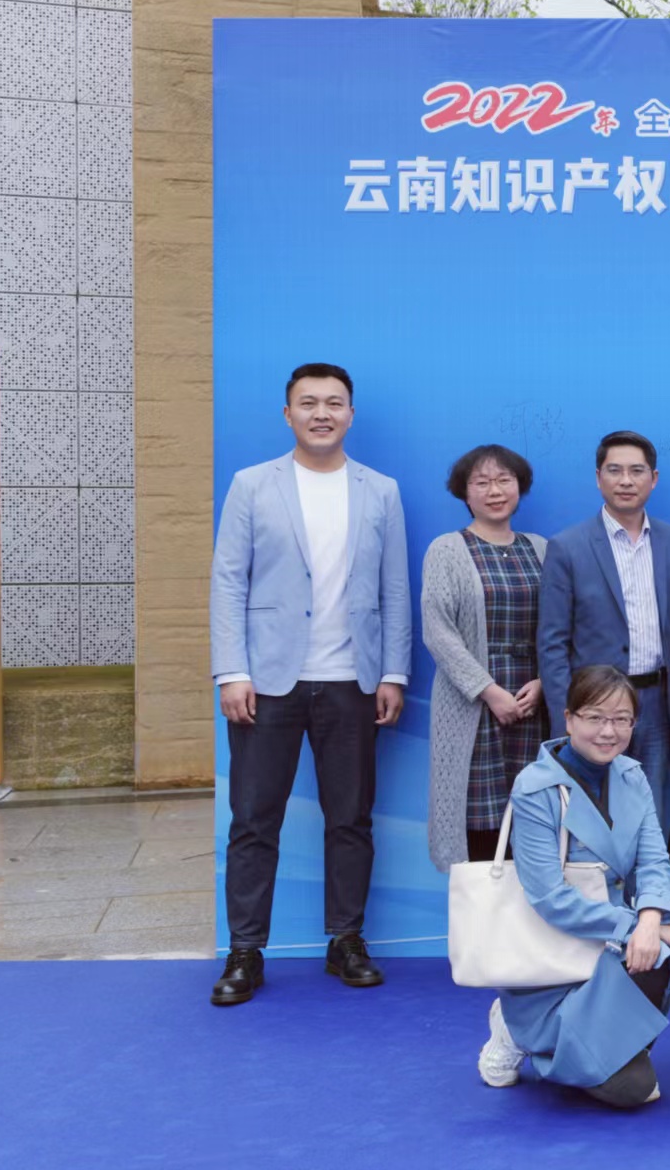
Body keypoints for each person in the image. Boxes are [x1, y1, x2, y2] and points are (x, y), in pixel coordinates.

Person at [208, 362, 410, 1006]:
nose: (322, 413)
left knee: (350, 818)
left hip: (353, 679)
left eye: (334, 403)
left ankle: (345, 940)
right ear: (288, 413)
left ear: (351, 413)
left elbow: (395, 588)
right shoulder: (252, 484)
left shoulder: (380, 490)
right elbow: (228, 581)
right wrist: (232, 671)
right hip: (267, 682)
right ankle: (245, 950)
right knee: (253, 819)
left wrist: (393, 672)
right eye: (308, 402)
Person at [473, 665, 670, 1107]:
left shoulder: (631, 775)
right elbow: (550, 898)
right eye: (595, 717)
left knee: (661, 951)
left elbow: (654, 860)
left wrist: (652, 918)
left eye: (621, 719)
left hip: (611, 952)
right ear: (569, 718)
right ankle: (517, 1028)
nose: (608, 731)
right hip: (554, 960)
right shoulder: (535, 788)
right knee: (633, 1090)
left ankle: (600, 1049)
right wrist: (634, 926)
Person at [538, 430, 670, 835]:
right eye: (615, 470)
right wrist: (567, 717)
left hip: (656, 705)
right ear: (598, 478)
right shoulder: (568, 546)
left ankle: (648, 880)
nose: (626, 480)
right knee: (592, 818)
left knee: (651, 817)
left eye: (636, 471)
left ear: (653, 479)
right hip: (594, 708)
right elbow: (552, 643)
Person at [421, 444, 548, 868]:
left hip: (533, 705)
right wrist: (490, 692)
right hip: (472, 706)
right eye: (482, 482)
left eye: (504, 480)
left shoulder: (541, 549)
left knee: (534, 821)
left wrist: (544, 683)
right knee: (479, 824)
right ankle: (481, 912)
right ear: (465, 492)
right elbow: (439, 633)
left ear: (519, 487)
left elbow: (560, 626)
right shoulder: (447, 549)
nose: (495, 491)